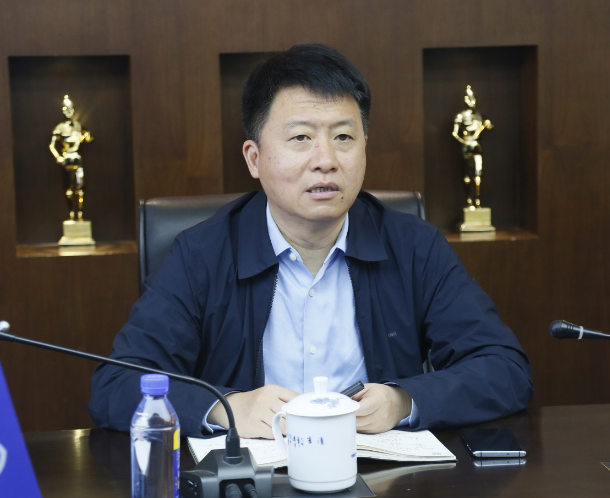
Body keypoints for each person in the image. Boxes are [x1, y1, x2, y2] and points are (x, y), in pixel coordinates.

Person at [89, 44, 533, 439]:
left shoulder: (415, 247)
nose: (326, 160)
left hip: (381, 478)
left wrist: (403, 401)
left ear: (364, 149)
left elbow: (505, 370)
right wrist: (228, 408)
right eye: (301, 138)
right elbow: (117, 386)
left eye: (343, 137)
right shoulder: (201, 254)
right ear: (254, 158)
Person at [49, 95, 94, 221]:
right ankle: (71, 213)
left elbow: (88, 137)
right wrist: (59, 157)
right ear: (63, 110)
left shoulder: (79, 126)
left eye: (70, 109)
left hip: (77, 159)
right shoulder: (59, 128)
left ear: (73, 110)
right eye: (66, 109)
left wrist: (86, 137)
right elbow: (52, 145)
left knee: (80, 188)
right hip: (67, 159)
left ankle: (80, 214)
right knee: (69, 189)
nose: (68, 111)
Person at [451, 85, 493, 208]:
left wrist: (487, 125)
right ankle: (469, 200)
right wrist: (463, 141)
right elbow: (454, 133)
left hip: (476, 146)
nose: (472, 101)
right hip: (466, 145)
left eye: (473, 98)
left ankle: (477, 200)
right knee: (467, 174)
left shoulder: (479, 115)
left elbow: (490, 127)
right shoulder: (460, 116)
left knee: (478, 174)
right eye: (469, 98)